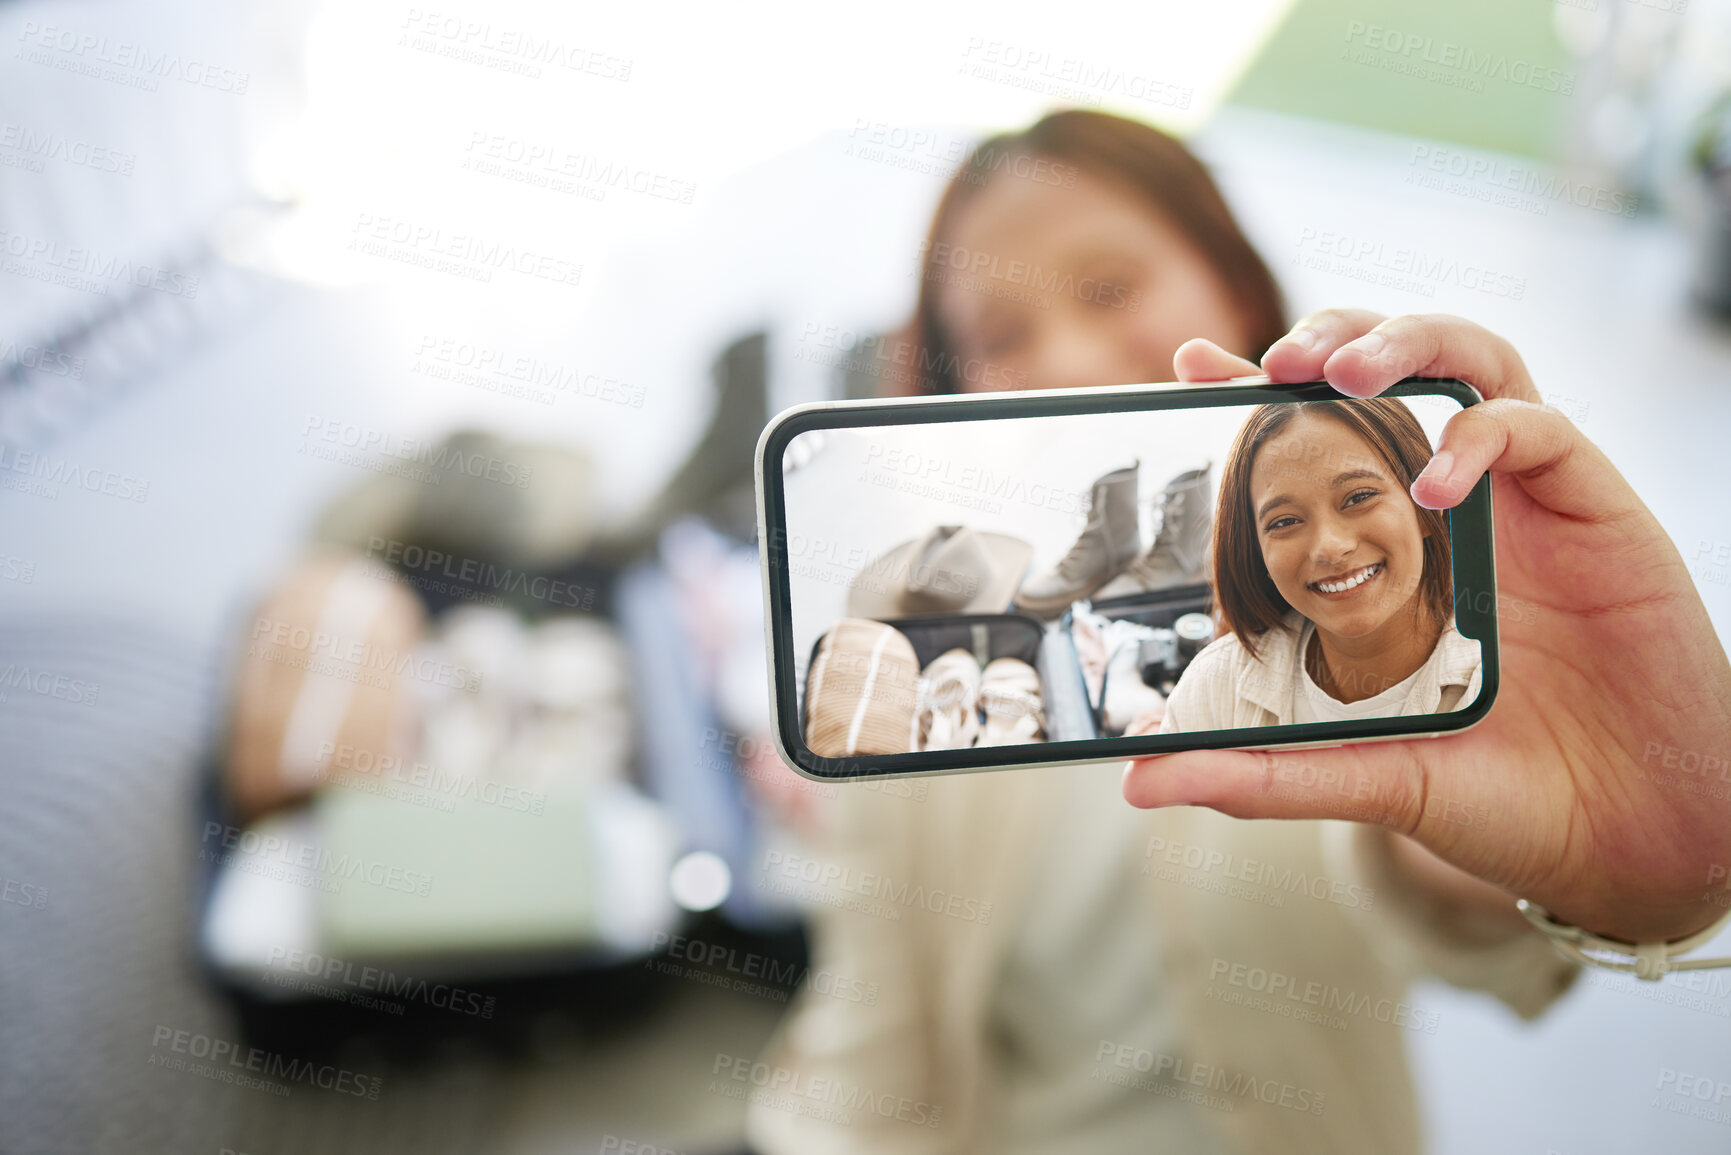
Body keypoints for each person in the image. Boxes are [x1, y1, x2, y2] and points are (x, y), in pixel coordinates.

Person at [745, 109, 1731, 1155]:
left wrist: (1616, 846)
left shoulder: (1355, 585)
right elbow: (870, 1043)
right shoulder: (918, 636)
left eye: (1110, 286)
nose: (1069, 356)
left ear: (1235, 282)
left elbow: (1426, 889)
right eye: (999, 336)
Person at [1154, 397, 1482, 733]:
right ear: (1258, 553)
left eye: (1359, 497)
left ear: (1427, 506)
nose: (1329, 547)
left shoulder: (1504, 681)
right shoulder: (1210, 688)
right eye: (1284, 522)